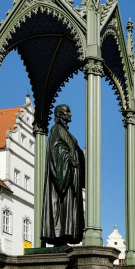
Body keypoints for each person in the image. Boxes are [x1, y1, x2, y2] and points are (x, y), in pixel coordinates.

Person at [41, 104, 85, 246]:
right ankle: (59, 236)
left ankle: (66, 235)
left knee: (69, 208)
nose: (71, 114)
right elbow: (56, 150)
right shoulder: (56, 129)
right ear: (60, 114)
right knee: (61, 208)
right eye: (68, 112)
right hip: (63, 177)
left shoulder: (66, 131)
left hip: (71, 178)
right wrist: (69, 159)